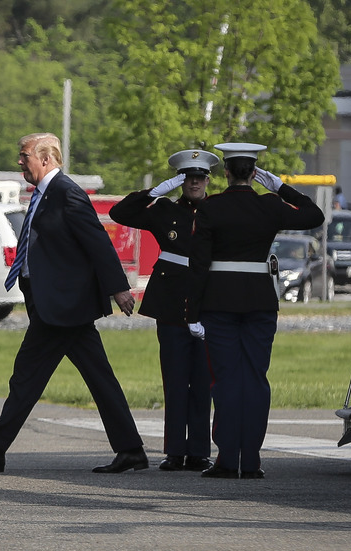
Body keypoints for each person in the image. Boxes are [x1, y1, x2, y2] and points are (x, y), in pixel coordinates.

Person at [0, 132, 148, 474]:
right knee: (76, 377)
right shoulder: (45, 193)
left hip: (64, 307)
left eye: (24, 155)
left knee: (32, 376)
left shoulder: (66, 193)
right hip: (52, 304)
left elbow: (97, 242)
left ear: (45, 159)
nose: (19, 161)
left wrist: (118, 288)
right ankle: (130, 450)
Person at [187, 142, 324, 479]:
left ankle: (226, 458)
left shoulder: (211, 208)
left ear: (227, 172)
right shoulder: (270, 206)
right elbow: (314, 214)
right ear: (254, 173)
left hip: (219, 303)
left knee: (226, 381)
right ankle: (251, 460)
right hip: (260, 302)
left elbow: (199, 264)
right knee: (256, 380)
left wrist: (192, 312)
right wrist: (279, 186)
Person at [108, 149, 218, 473]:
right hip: (171, 306)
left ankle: (198, 451)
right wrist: (155, 192)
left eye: (199, 177)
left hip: (207, 304)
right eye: (188, 178)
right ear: (181, 180)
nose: (194, 182)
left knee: (202, 382)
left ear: (208, 179)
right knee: (174, 380)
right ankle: (175, 451)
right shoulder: (165, 209)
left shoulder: (216, 211)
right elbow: (120, 212)